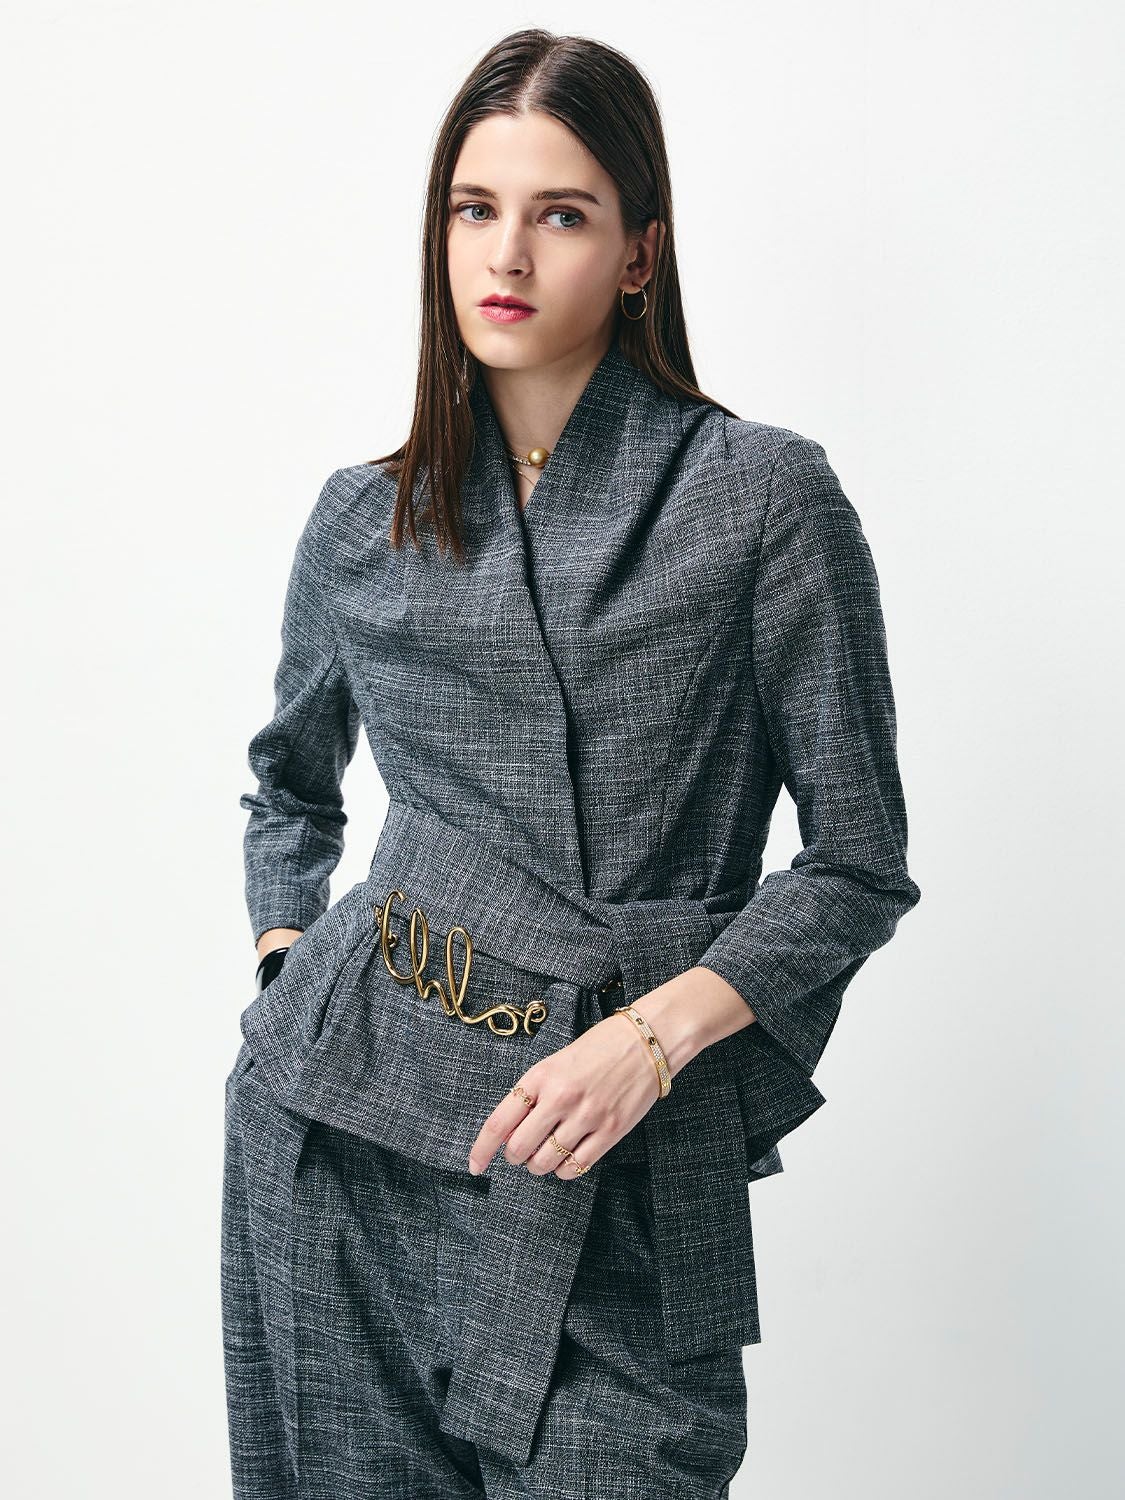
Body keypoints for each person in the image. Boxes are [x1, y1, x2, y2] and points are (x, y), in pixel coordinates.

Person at [220, 26, 922, 1500]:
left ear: (640, 252)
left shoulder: (761, 499)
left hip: (620, 1147)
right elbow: (289, 783)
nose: (508, 254)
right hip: (342, 1134)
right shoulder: (363, 518)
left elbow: (857, 864)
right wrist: (289, 963)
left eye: (562, 214)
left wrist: (652, 1040)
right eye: (475, 209)